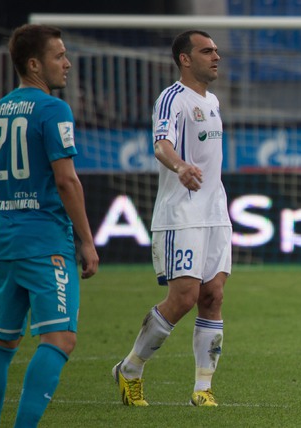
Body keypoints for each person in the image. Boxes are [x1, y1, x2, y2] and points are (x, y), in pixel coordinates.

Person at [112, 30, 232, 408]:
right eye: (207, 51)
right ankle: (130, 368)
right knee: (183, 298)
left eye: (216, 51)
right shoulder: (172, 98)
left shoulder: (212, 101)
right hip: (181, 213)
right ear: (185, 59)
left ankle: (202, 388)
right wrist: (181, 167)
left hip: (215, 213)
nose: (216, 57)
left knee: (213, 296)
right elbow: (161, 144)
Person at [0, 24, 99, 427]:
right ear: (34, 64)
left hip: (6, 238)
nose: (67, 63)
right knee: (60, 338)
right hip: (45, 241)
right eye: (59, 56)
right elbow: (66, 180)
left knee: (1, 344)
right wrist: (86, 241)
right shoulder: (53, 109)